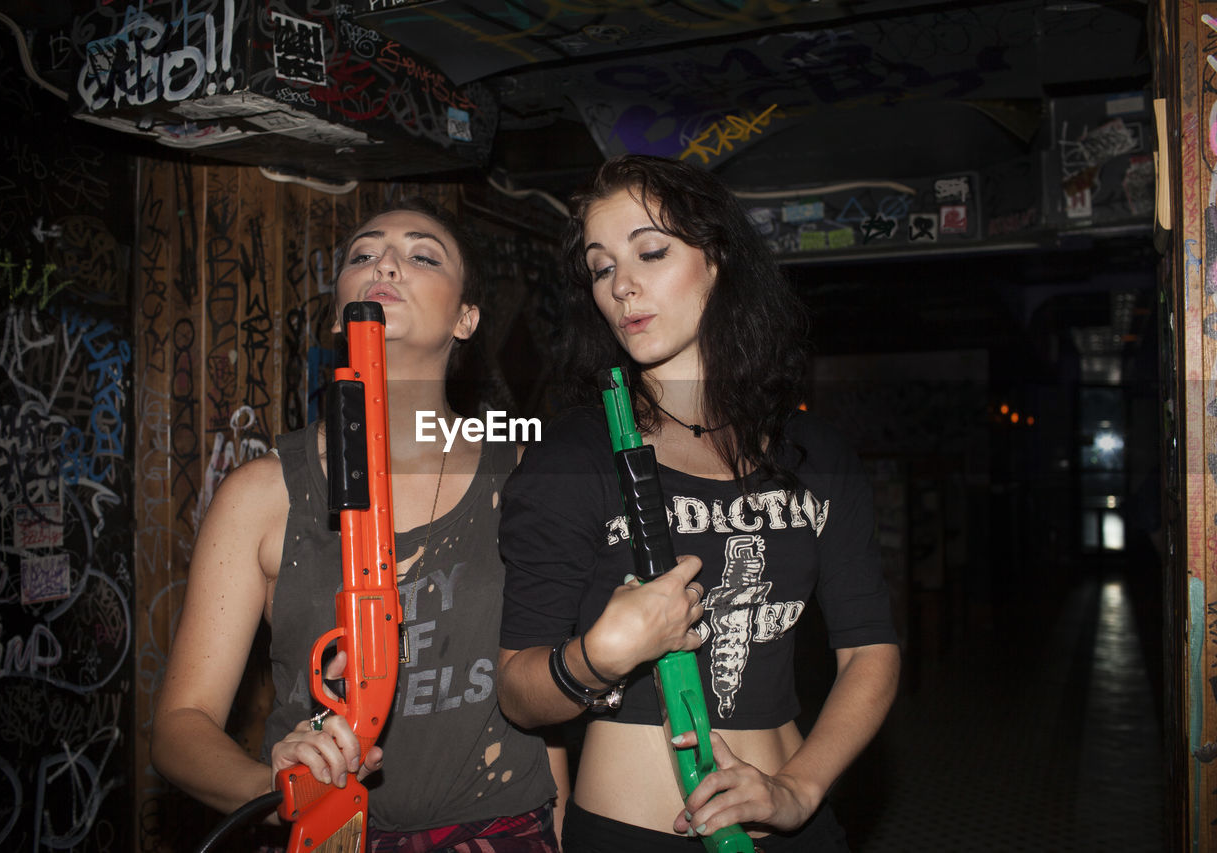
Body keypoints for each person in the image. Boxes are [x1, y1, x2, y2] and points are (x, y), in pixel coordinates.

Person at [496, 155, 900, 851]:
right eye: (600, 267)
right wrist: (597, 655)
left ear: (716, 260)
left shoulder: (814, 454)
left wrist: (798, 788)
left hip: (789, 823)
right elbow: (517, 690)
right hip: (636, 830)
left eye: (651, 251)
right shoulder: (574, 455)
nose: (622, 285)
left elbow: (869, 652)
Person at [151, 198, 566, 851]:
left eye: (422, 254)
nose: (387, 262)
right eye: (362, 254)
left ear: (467, 317)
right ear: (341, 301)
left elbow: (545, 706)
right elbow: (181, 723)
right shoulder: (260, 494)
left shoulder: (525, 476)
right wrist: (273, 788)